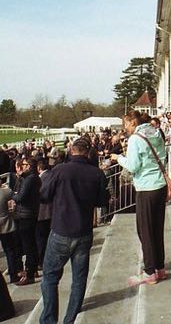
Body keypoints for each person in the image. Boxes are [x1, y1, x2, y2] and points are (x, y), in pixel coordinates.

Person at [39, 137, 108, 324]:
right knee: (78, 278)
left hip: (61, 230)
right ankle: (70, 318)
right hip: (83, 231)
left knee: (50, 277)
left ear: (71, 150)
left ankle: (48, 319)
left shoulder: (59, 170)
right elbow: (103, 202)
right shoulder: (96, 174)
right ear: (88, 153)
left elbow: (44, 195)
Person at [116, 110, 169, 285]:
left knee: (145, 230)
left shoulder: (135, 139)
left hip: (146, 187)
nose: (125, 128)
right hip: (160, 185)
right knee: (156, 229)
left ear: (133, 122)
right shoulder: (156, 132)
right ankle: (159, 268)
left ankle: (149, 272)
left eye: (126, 124)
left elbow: (133, 166)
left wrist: (119, 158)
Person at [11, 156, 41, 285]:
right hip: (28, 214)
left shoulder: (30, 179)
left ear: (28, 166)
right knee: (28, 244)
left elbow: (21, 197)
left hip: (26, 215)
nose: (21, 166)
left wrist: (11, 194)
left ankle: (30, 273)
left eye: (23, 164)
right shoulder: (31, 178)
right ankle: (31, 270)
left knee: (28, 245)